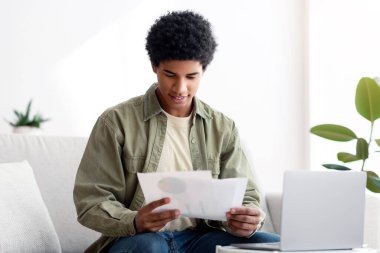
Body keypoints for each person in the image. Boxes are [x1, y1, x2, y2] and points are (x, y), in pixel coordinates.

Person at [73, 10, 280, 253]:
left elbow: (247, 197)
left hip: (201, 239)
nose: (181, 88)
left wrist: (247, 220)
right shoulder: (116, 122)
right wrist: (135, 220)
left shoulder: (223, 127)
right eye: (170, 74)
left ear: (204, 70)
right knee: (148, 247)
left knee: (271, 245)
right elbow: (91, 202)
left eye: (191, 76)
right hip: (141, 238)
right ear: (154, 66)